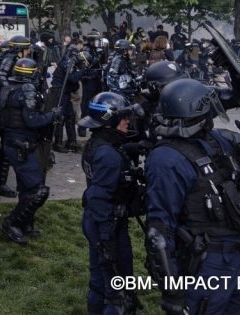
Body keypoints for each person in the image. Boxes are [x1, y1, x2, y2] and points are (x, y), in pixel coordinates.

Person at [144, 79, 240, 314]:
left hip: (235, 255)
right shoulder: (166, 158)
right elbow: (159, 232)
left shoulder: (216, 142)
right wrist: (172, 291)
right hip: (205, 263)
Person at [80, 92, 144, 315]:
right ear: (110, 120)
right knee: (117, 286)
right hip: (107, 223)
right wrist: (108, 243)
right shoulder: (109, 155)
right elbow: (100, 199)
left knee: (99, 277)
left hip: (96, 220)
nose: (128, 121)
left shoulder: (96, 144)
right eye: (123, 117)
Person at [0, 58, 60, 244]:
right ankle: (12, 223)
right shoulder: (26, 90)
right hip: (22, 146)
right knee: (39, 190)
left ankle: (26, 224)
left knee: (27, 188)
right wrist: (53, 115)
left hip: (13, 143)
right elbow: (33, 120)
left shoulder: (8, 87)